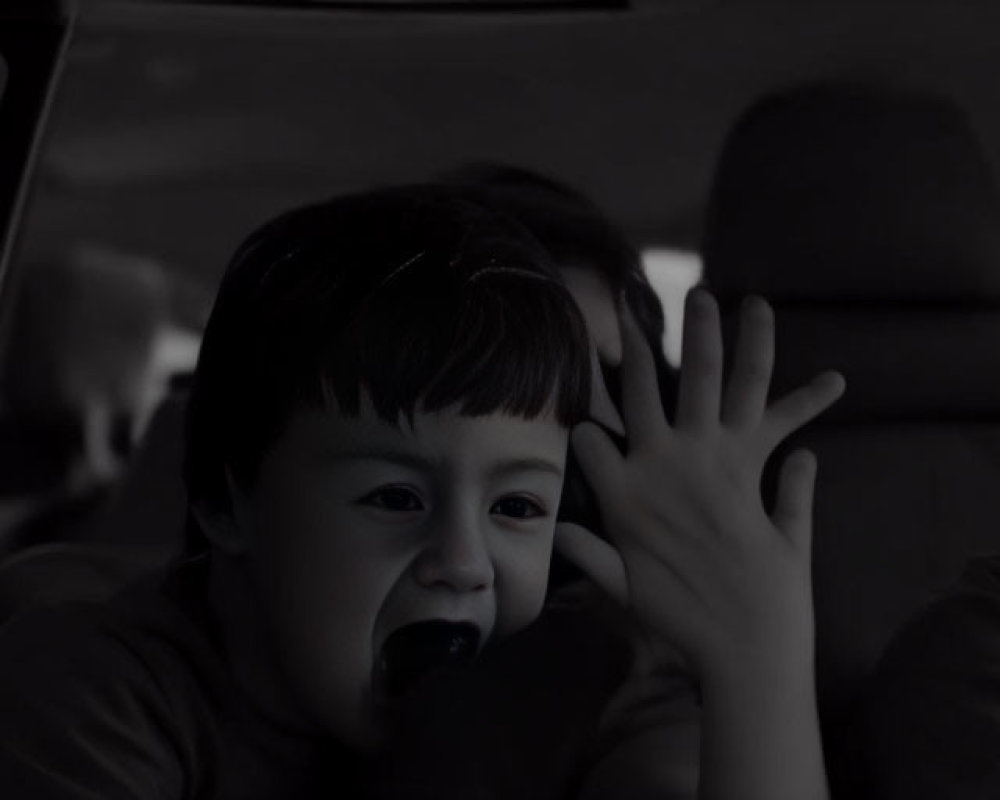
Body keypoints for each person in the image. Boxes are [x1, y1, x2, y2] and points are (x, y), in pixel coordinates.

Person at [0, 182, 843, 799]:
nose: (461, 561)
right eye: (395, 498)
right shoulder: (99, 692)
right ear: (229, 500)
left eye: (518, 507)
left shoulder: (593, 684)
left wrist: (757, 664)